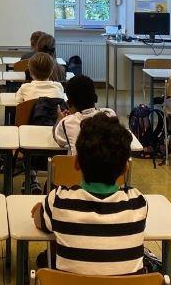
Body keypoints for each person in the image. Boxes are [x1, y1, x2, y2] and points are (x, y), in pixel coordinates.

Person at [32, 113, 148, 275]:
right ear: (125, 168)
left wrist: (41, 209)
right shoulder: (138, 202)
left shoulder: (59, 199)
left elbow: (38, 221)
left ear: (76, 163)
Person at [53, 75, 115, 155]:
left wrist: (59, 119)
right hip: (110, 167)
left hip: (78, 167)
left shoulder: (66, 123)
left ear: (69, 103)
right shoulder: (110, 114)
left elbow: (58, 139)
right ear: (95, 98)